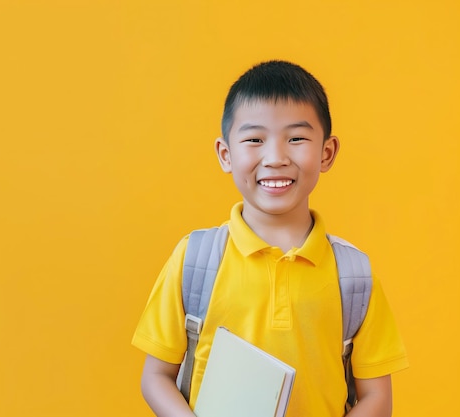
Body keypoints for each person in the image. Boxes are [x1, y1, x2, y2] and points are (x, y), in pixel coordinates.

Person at [131, 60, 408, 416]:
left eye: (296, 138)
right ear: (226, 154)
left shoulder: (353, 274)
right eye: (254, 140)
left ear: (327, 152)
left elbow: (377, 398)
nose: (275, 158)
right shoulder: (195, 259)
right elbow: (155, 377)